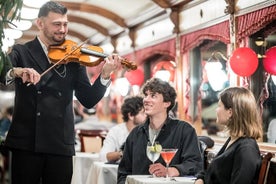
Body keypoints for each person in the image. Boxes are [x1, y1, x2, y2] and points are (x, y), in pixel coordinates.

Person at [2, 1, 122, 184]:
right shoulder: (22, 51)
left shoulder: (74, 56)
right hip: (27, 142)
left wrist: (105, 74)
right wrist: (17, 71)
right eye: (56, 24)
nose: (63, 29)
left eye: (65, 24)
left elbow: (88, 100)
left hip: (60, 143)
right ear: (40, 23)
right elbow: (2, 73)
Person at [117, 78, 203, 184]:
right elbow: (123, 173)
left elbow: (195, 164)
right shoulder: (135, 134)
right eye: (146, 95)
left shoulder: (184, 130)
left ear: (166, 103)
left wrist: (171, 170)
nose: (146, 100)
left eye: (153, 96)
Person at [195, 87, 263, 184]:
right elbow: (211, 172)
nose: (216, 110)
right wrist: (200, 179)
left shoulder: (246, 148)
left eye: (219, 106)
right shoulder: (233, 140)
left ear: (230, 112)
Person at [99, 96, 147, 163]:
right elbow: (103, 157)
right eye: (143, 113)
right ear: (131, 116)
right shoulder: (116, 131)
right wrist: (123, 153)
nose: (147, 115)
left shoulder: (148, 130)